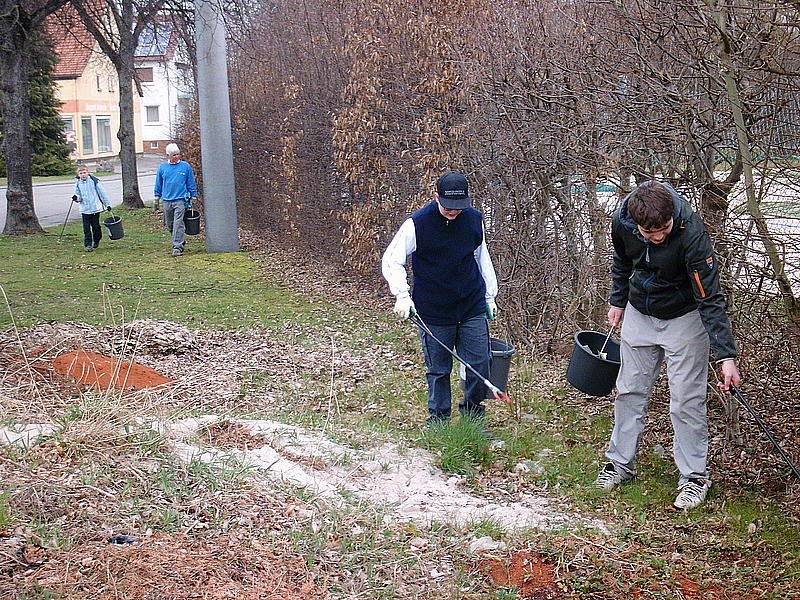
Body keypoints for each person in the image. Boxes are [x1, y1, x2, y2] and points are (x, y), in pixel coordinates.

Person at [595, 180, 741, 510]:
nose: (659, 237)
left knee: (686, 401)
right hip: (639, 310)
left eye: (664, 229)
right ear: (636, 224)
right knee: (629, 391)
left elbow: (710, 296)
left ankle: (694, 478)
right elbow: (621, 261)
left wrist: (726, 356)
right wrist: (617, 300)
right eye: (651, 232)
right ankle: (619, 464)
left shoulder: (691, 232)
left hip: (684, 317)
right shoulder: (622, 222)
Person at [381, 171, 499, 427]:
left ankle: (472, 417)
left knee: (479, 363)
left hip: (471, 304)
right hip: (434, 309)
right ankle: (439, 420)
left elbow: (482, 258)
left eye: (458, 206)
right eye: (447, 205)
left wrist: (490, 296)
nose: (453, 211)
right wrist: (402, 295)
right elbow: (392, 260)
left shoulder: (474, 220)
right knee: (438, 369)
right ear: (436, 197)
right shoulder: (417, 224)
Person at [154, 143, 198, 256]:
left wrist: (193, 195)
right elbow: (159, 183)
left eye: (178, 154)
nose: (177, 156)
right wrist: (157, 196)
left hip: (180, 200)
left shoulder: (185, 166)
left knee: (178, 223)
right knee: (170, 224)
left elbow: (190, 182)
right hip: (167, 200)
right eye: (174, 155)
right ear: (168, 155)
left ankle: (177, 247)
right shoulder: (162, 167)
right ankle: (180, 240)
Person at [73, 166, 112, 252]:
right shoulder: (78, 184)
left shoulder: (94, 181)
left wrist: (107, 205)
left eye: (84, 173)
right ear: (78, 175)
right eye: (81, 173)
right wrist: (76, 198)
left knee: (96, 227)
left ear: (88, 173)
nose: (83, 175)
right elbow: (78, 196)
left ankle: (97, 240)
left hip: (95, 209)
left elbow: (102, 194)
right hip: (85, 210)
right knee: (86, 228)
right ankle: (88, 245)